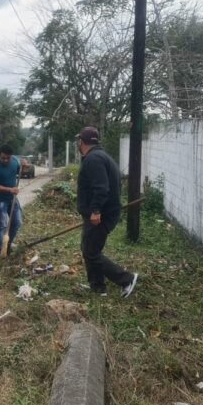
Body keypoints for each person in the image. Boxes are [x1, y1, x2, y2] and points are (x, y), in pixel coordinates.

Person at [76, 126, 138, 298]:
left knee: (91, 252)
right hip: (99, 214)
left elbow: (101, 188)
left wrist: (95, 211)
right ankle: (97, 286)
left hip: (99, 215)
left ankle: (126, 279)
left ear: (81, 141)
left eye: (78, 141)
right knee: (89, 248)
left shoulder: (93, 159)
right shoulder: (101, 156)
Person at [0, 144, 24, 256]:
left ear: (11, 156)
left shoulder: (14, 161)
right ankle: (0, 250)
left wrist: (25, 165)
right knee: (2, 224)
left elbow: (19, 170)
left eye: (7, 158)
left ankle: (7, 245)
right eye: (2, 157)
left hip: (12, 198)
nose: (5, 160)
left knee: (17, 222)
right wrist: (10, 189)